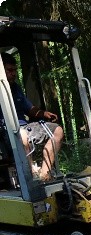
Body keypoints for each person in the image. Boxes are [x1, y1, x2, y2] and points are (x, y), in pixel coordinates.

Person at [1, 52, 64, 181]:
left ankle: (44, 174)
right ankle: (30, 178)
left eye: (15, 70)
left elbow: (30, 109)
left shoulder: (16, 89)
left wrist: (43, 113)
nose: (13, 74)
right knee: (22, 135)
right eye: (10, 70)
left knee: (57, 130)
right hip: (5, 131)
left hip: (25, 127)